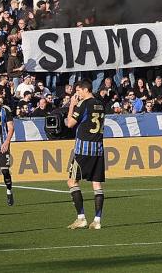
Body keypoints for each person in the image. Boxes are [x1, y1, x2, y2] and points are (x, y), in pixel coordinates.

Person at [66, 79, 106, 229]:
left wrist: (71, 106)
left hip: (83, 148)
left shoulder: (83, 104)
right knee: (96, 184)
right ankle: (97, 220)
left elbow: (70, 123)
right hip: (98, 148)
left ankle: (81, 218)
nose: (77, 94)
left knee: (72, 182)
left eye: (78, 91)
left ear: (85, 90)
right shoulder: (100, 104)